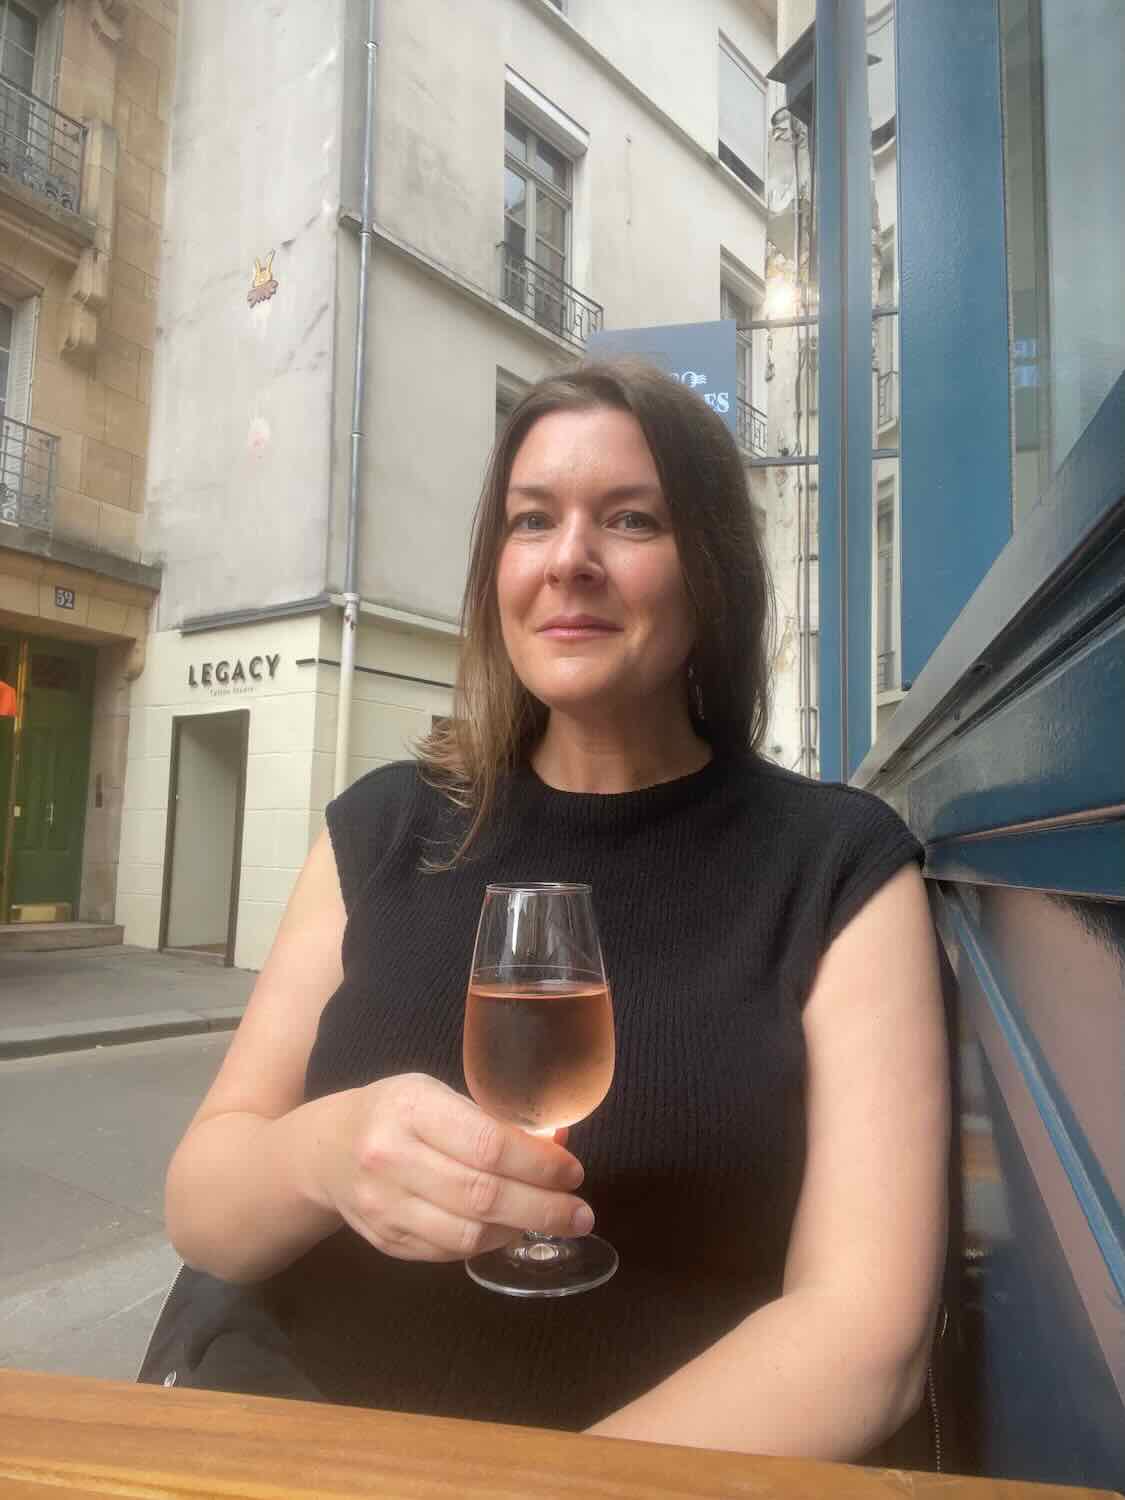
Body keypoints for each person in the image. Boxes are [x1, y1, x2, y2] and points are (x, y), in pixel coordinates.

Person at [146, 359, 949, 1462]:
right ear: (498, 572)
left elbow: (865, 1337)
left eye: (630, 519)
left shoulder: (835, 867)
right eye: (532, 521)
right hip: (306, 1442)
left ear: (710, 569)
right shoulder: (383, 829)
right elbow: (202, 1211)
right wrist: (324, 1155)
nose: (569, 559)